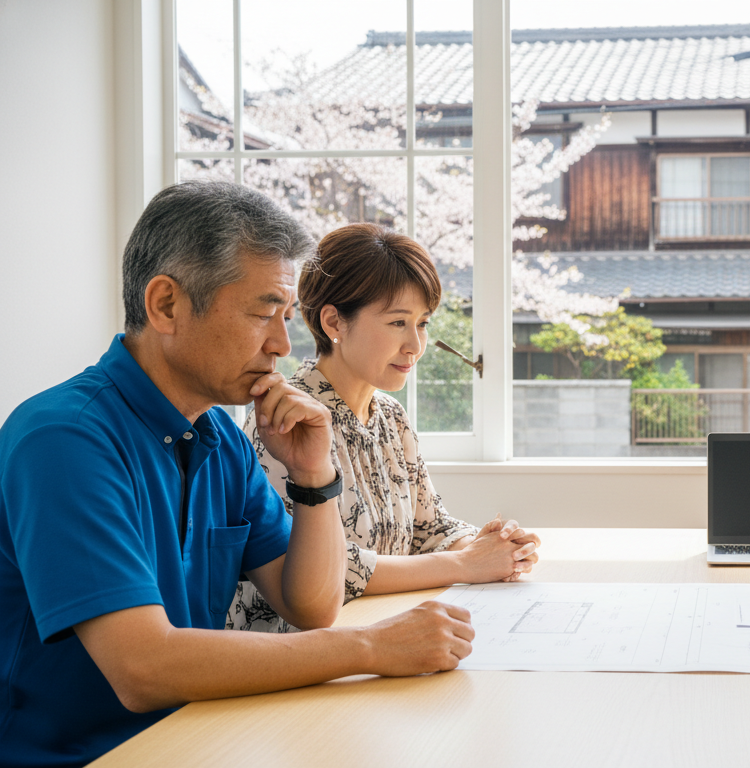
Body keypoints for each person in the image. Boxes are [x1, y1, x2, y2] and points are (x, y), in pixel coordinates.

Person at [0, 182, 475, 767]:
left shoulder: (218, 437)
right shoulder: (63, 439)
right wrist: (371, 645)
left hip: (196, 736)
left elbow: (311, 605)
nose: (282, 343)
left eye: (285, 317)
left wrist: (313, 475)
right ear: (167, 305)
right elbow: (142, 667)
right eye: (263, 313)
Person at [228, 223, 540, 632]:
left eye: (423, 323)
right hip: (294, 652)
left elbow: (429, 528)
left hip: (376, 628)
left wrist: (489, 547)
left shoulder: (391, 415)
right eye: (397, 323)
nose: (415, 345)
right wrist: (464, 563)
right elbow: (330, 569)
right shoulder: (286, 420)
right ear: (334, 323)